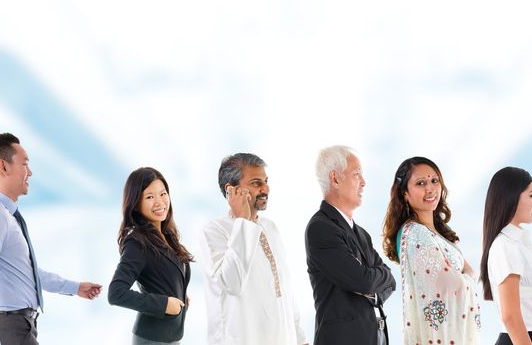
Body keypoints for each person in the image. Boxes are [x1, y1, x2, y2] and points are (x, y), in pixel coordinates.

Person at [0, 132, 102, 345]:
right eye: (24, 164)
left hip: (21, 326)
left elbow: (28, 273)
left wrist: (75, 288)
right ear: (3, 167)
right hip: (11, 329)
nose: (30, 172)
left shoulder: (7, 217)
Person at [197, 153, 308, 345]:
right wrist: (243, 221)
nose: (266, 189)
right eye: (256, 183)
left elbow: (285, 290)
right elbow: (232, 283)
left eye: (266, 181)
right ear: (231, 190)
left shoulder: (271, 228)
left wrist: (301, 339)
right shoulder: (214, 231)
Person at [381, 156, 480, 344]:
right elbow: (453, 284)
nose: (430, 188)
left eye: (434, 181)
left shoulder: (440, 233)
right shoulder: (415, 234)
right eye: (420, 183)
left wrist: (464, 276)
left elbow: (470, 272)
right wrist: (465, 277)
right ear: (405, 193)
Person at [305, 145, 396, 345]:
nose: (364, 182)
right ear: (335, 179)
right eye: (356, 174)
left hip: (374, 337)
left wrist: (373, 283)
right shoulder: (321, 228)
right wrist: (371, 280)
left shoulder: (361, 233)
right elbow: (363, 281)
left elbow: (390, 280)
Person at [108, 167, 193, 345]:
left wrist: (180, 296)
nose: (159, 202)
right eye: (149, 197)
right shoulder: (137, 242)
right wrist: (164, 304)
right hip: (152, 339)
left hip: (170, 336)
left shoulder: (167, 235)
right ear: (135, 203)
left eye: (163, 194)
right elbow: (116, 293)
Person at [479, 167, 532, 345]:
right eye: (531, 196)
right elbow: (510, 317)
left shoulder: (519, 243)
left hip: (531, 336)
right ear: (511, 197)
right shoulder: (505, 245)